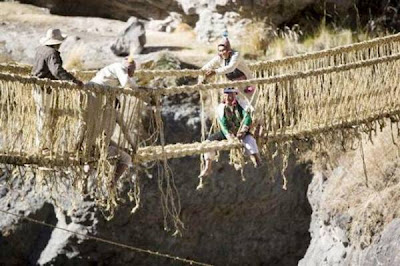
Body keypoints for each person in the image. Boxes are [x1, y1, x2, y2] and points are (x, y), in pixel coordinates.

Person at [82, 56, 140, 179]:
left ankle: (85, 177)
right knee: (126, 158)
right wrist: (134, 148)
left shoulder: (97, 113)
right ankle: (112, 182)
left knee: (94, 154)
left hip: (89, 145)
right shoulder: (119, 68)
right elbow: (126, 83)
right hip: (100, 148)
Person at [197, 88, 262, 190]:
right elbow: (223, 124)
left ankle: (256, 157)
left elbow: (248, 117)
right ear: (223, 96)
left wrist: (243, 130)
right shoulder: (221, 108)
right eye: (227, 95)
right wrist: (229, 136)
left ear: (235, 95)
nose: (229, 97)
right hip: (227, 132)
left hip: (240, 130)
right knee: (208, 143)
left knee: (249, 140)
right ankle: (208, 166)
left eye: (232, 95)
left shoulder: (242, 104)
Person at [32, 28, 83, 153]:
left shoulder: (40, 50)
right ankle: (43, 147)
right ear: (57, 43)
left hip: (37, 87)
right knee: (44, 116)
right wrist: (74, 81)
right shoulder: (52, 54)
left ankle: (41, 144)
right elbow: (57, 71)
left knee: (41, 115)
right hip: (45, 88)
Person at [201, 36, 257, 111]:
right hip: (234, 85)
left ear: (229, 50)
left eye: (223, 50)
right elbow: (207, 66)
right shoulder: (219, 57)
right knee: (237, 107)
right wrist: (201, 73)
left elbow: (231, 68)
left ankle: (253, 120)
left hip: (246, 84)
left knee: (251, 106)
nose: (221, 53)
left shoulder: (236, 55)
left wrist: (215, 71)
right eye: (219, 51)